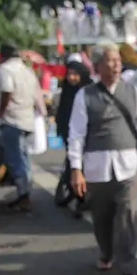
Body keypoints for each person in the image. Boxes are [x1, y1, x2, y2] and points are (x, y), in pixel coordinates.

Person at [68, 41, 137, 275]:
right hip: (97, 168)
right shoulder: (84, 96)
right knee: (102, 218)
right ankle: (106, 252)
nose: (116, 65)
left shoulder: (133, 92)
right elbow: (76, 135)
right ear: (97, 66)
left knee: (127, 215)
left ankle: (127, 267)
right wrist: (76, 169)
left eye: (118, 60)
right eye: (110, 60)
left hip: (128, 167)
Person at [0, 44, 41, 212]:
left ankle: (23, 196)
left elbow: (7, 90)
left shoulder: (5, 70)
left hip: (11, 120)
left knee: (15, 159)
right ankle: (25, 193)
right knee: (24, 159)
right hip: (27, 120)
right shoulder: (28, 71)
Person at [55, 57, 92, 213]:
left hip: (87, 134)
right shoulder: (66, 91)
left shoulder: (89, 91)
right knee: (74, 166)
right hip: (69, 135)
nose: (72, 78)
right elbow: (62, 112)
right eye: (69, 74)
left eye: (75, 74)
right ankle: (78, 198)